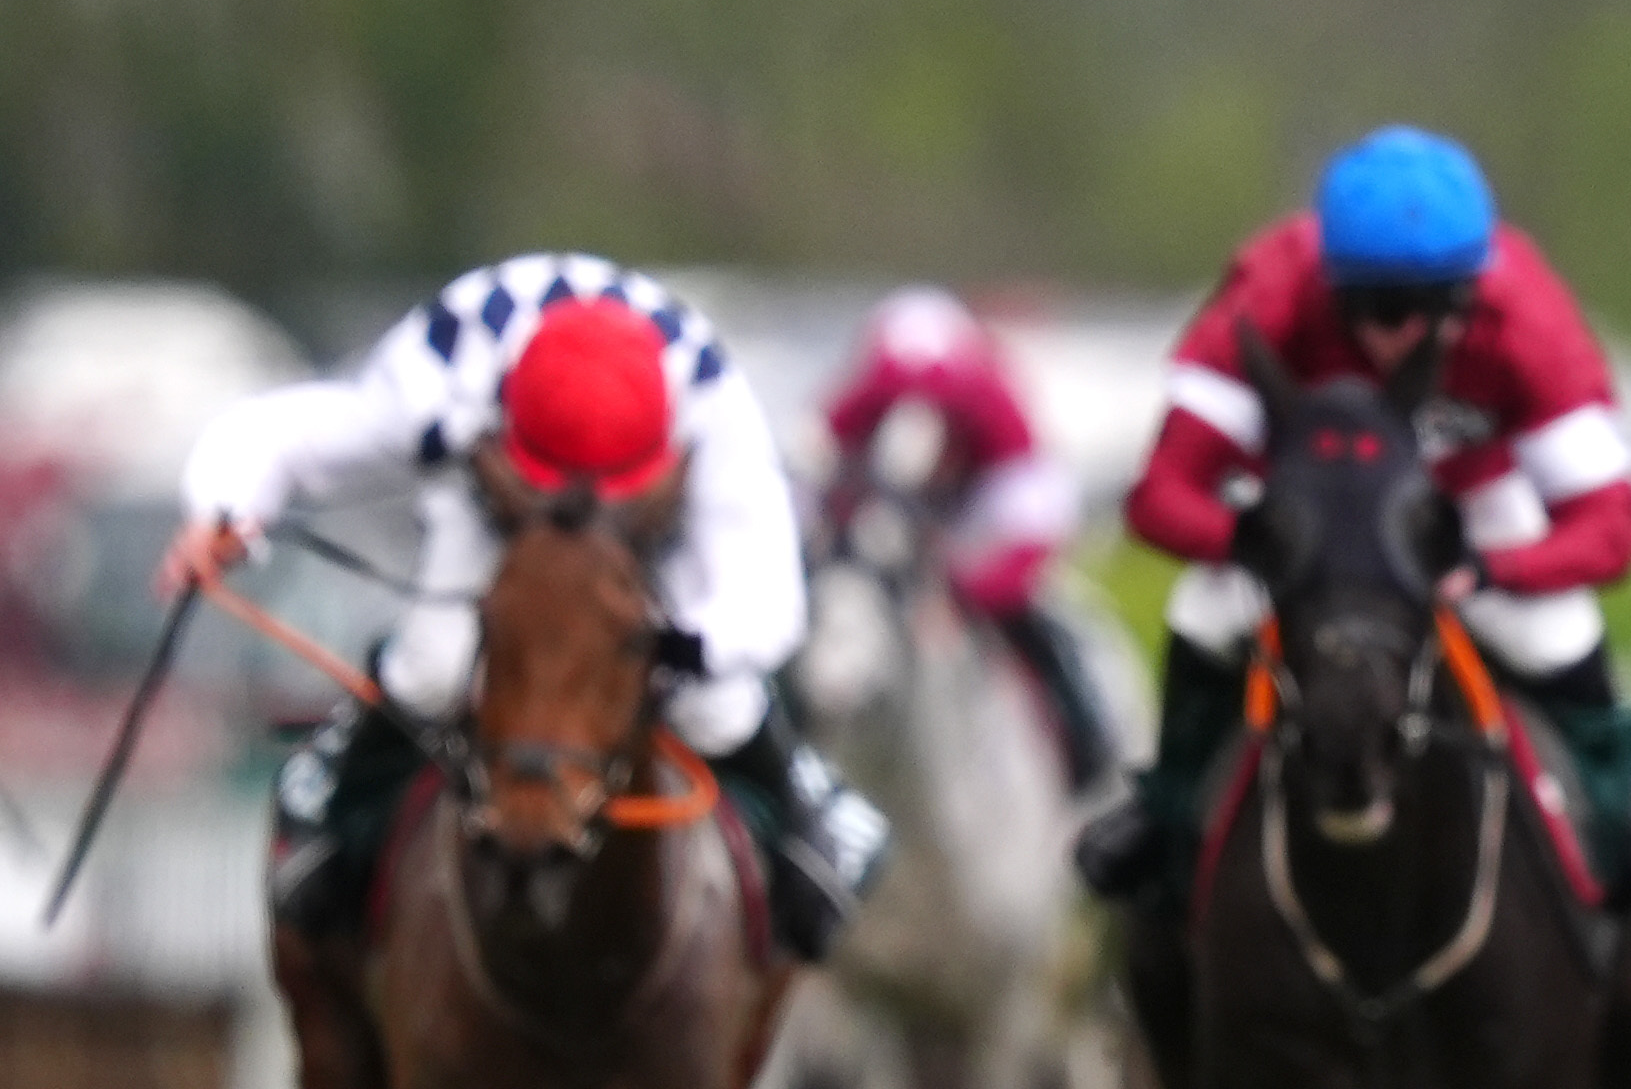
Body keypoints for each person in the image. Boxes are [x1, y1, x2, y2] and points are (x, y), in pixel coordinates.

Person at [165, 251, 887, 964]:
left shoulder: (711, 405)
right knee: (436, 666)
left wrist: (684, 648)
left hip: (641, 532)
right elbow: (288, 433)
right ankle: (324, 799)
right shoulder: (442, 379)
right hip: (500, 507)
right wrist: (222, 509)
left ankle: (808, 810)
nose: (585, 501)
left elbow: (768, 599)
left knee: (715, 704)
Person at [1075, 124, 1631, 911]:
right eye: (1384, 307)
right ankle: (1164, 812)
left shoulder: (1532, 326)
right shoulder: (1265, 299)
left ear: (1479, 286)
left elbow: (1612, 525)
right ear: (1332, 288)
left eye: (1443, 307)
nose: (1412, 334)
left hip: (1462, 513)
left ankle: (1623, 805)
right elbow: (1160, 494)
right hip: (1305, 525)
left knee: (1558, 629)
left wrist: (1499, 568)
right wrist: (1248, 540)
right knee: (1200, 615)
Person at [818, 285, 1118, 791]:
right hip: (914, 511)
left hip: (983, 514)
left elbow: (1035, 531)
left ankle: (1087, 743)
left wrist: (965, 597)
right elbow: (829, 490)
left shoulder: (999, 415)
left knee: (1032, 618)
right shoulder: (865, 400)